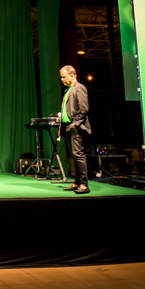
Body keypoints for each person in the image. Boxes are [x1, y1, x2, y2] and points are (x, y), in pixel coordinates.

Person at [59, 66, 92, 194]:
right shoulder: (68, 90)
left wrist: (75, 124)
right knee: (74, 155)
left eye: (64, 77)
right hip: (68, 126)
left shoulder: (79, 88)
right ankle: (77, 182)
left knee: (78, 155)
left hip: (75, 127)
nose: (62, 79)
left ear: (72, 75)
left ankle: (84, 184)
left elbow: (84, 109)